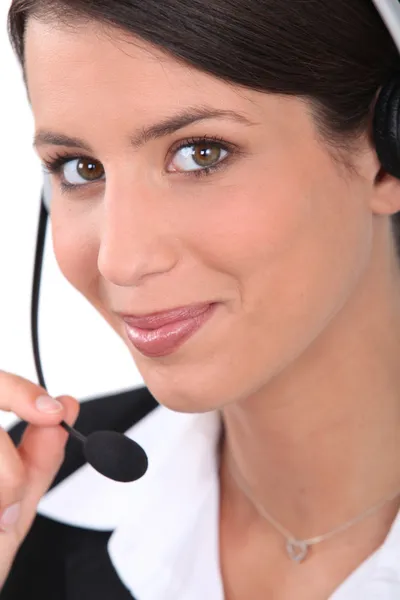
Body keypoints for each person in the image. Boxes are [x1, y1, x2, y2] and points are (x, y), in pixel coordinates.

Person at [2, 0, 400, 597]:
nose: (122, 260)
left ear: (385, 160)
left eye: (200, 153)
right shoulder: (23, 503)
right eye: (81, 168)